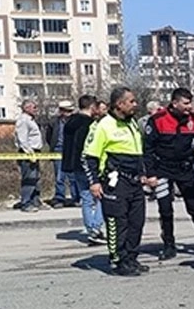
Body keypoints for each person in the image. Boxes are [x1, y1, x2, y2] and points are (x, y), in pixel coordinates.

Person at [83, 87, 156, 277]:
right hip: (115, 181)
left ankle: (131, 257)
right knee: (118, 222)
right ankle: (118, 260)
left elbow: (138, 152)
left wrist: (143, 174)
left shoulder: (131, 123)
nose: (135, 104)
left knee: (136, 223)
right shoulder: (103, 125)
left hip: (134, 182)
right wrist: (94, 182)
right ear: (119, 104)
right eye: (131, 101)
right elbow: (89, 156)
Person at [145, 88, 194, 262]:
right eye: (185, 103)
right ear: (175, 103)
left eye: (190, 103)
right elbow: (147, 149)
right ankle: (169, 245)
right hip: (163, 168)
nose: (189, 107)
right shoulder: (158, 120)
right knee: (165, 209)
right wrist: (151, 174)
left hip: (185, 169)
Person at [63, 94, 106, 245]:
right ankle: (95, 228)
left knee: (86, 199)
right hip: (87, 164)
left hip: (74, 165)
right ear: (92, 107)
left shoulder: (70, 122)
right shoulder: (89, 124)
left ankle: (91, 229)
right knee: (101, 197)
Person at [14, 99, 44, 212]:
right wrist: (29, 153)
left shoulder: (31, 120)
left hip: (35, 151)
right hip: (28, 152)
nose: (36, 109)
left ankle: (35, 201)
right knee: (29, 178)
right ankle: (26, 202)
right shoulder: (23, 121)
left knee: (36, 177)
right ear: (26, 108)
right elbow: (22, 139)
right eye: (34, 107)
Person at [49, 101, 80, 208]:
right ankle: (59, 198)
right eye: (66, 110)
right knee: (59, 176)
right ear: (61, 111)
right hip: (58, 149)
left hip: (71, 150)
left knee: (73, 176)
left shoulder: (75, 121)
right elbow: (49, 136)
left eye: (70, 110)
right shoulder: (54, 122)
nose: (69, 113)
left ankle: (76, 197)